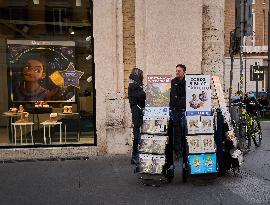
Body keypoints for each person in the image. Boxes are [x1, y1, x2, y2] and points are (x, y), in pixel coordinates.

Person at [128, 68, 146, 164]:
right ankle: (135, 156)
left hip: (138, 112)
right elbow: (142, 96)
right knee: (137, 134)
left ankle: (136, 155)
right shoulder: (133, 86)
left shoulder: (136, 85)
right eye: (141, 75)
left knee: (138, 134)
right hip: (137, 113)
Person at [169, 64, 187, 160]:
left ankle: (184, 149)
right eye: (176, 70)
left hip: (184, 110)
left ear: (184, 72)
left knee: (184, 130)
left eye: (179, 71)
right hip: (175, 110)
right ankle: (177, 151)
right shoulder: (172, 82)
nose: (176, 72)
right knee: (176, 131)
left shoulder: (188, 82)